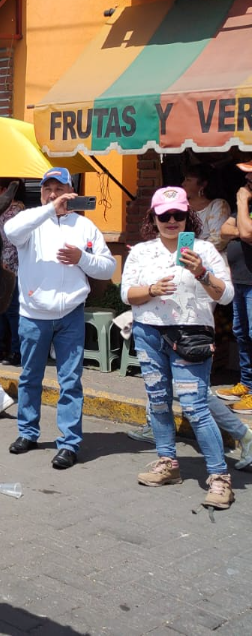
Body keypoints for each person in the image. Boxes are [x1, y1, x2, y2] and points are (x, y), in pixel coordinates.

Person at [121, 186, 235, 509]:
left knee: (195, 406)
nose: (172, 221)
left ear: (189, 216)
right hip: (149, 333)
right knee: (157, 402)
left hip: (191, 335)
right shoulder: (142, 252)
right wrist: (152, 289)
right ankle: (167, 463)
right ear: (153, 218)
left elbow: (225, 296)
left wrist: (200, 272)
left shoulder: (206, 251)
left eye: (178, 215)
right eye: (164, 216)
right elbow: (126, 293)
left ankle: (219, 477)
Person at [4, 167, 116, 469]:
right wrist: (49, 210)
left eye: (59, 189)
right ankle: (27, 432)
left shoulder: (85, 226)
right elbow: (10, 232)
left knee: (70, 381)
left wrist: (83, 259)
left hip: (70, 315)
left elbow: (106, 268)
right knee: (29, 377)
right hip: (33, 314)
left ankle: (69, 443)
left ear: (71, 191)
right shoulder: (32, 223)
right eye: (47, 189)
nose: (53, 194)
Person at [218, 162, 252, 409]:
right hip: (240, 279)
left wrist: (241, 202)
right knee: (242, 334)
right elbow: (224, 230)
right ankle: (247, 385)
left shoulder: (245, 202)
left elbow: (248, 234)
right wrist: (242, 225)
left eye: (251, 175)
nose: (247, 179)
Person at [0, 178, 25, 365]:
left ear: (5, 190)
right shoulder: (9, 210)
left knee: (11, 311)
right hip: (1, 265)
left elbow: (8, 239)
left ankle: (17, 351)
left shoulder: (15, 211)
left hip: (12, 267)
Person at [184, 165, 230, 247]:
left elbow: (219, 239)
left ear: (203, 184)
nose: (183, 184)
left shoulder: (217, 205)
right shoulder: (181, 204)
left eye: (188, 180)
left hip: (209, 256)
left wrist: (192, 251)